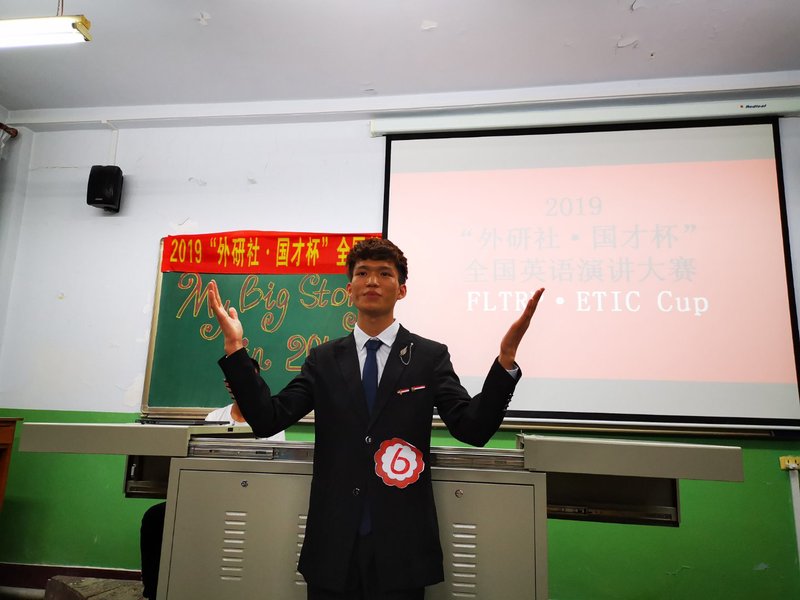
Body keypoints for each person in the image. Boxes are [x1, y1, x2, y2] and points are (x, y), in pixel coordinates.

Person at [209, 238, 544, 600]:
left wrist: (505, 360)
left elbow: (472, 428)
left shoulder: (428, 357)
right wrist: (235, 348)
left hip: (402, 544)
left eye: (384, 273)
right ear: (349, 289)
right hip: (334, 542)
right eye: (362, 273)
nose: (372, 281)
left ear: (401, 290)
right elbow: (268, 419)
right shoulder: (323, 359)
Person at [140, 402, 285, 598]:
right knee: (155, 517)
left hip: (251, 499)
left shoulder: (271, 421)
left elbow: (272, 471)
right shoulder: (215, 417)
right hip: (209, 495)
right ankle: (155, 591)